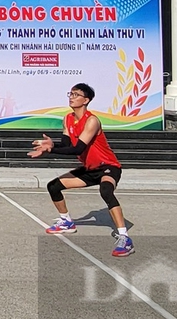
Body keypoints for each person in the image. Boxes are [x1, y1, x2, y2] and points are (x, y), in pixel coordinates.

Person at [30, 83, 134, 258]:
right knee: (53, 186)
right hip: (90, 169)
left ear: (86, 100)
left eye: (76, 94)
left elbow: (77, 149)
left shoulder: (92, 121)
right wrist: (52, 145)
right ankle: (67, 222)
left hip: (108, 167)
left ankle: (124, 237)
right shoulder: (68, 119)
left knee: (106, 191)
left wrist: (51, 150)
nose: (71, 96)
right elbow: (66, 145)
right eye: (70, 93)